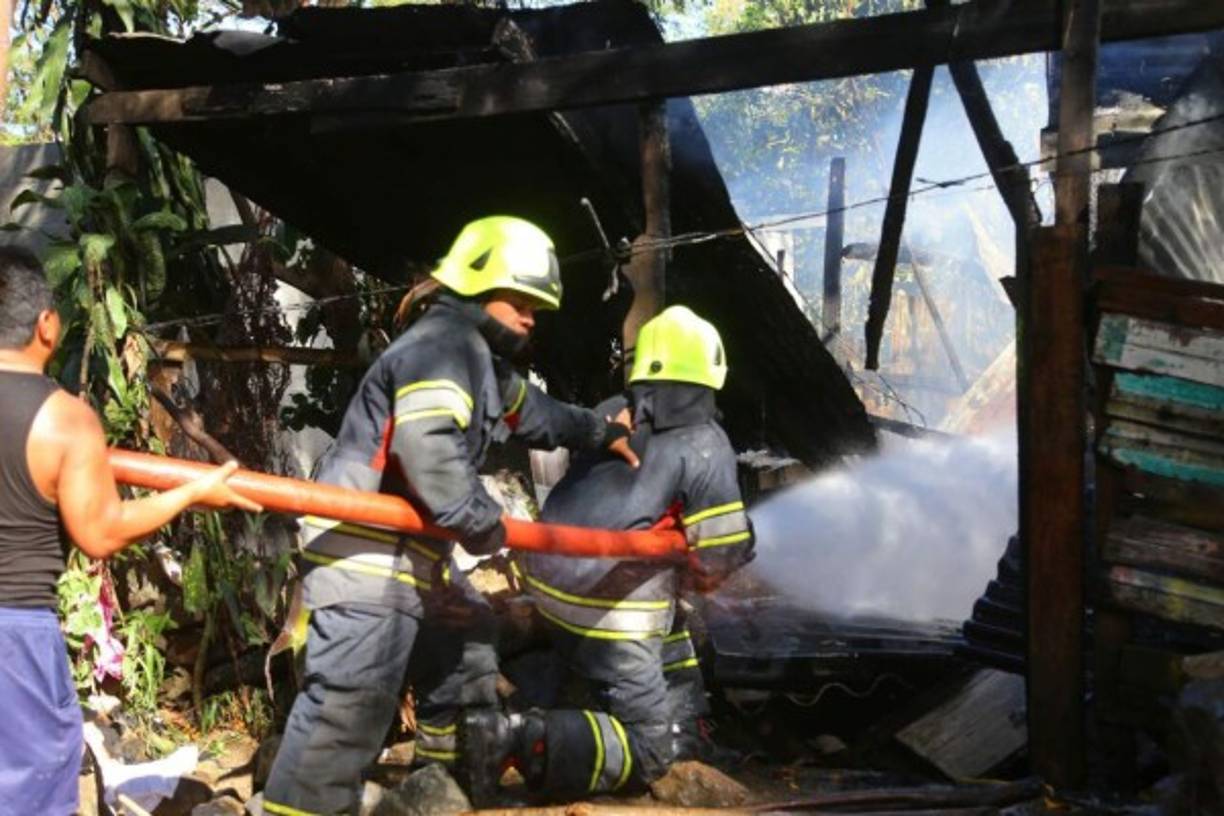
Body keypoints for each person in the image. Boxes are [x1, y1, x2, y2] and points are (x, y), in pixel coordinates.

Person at [262, 216, 639, 815]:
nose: (531, 317)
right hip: (365, 554)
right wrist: (480, 519)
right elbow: (429, 449)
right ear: (477, 285)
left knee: (468, 641)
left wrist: (601, 430)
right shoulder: (443, 346)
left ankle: (442, 791)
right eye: (521, 302)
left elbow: (538, 415)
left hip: (413, 555)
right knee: (347, 712)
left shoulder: (482, 364)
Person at [0, 246, 260, 815]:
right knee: (27, 794)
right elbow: (101, 532)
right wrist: (191, 492)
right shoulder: (64, 418)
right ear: (47, 325)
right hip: (13, 635)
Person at [460, 305, 755, 803]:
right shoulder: (706, 443)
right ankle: (519, 738)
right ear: (713, 366)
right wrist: (737, 544)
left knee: (673, 640)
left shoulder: (612, 409)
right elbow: (716, 564)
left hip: (547, 588)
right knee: (649, 750)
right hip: (611, 614)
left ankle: (688, 733)